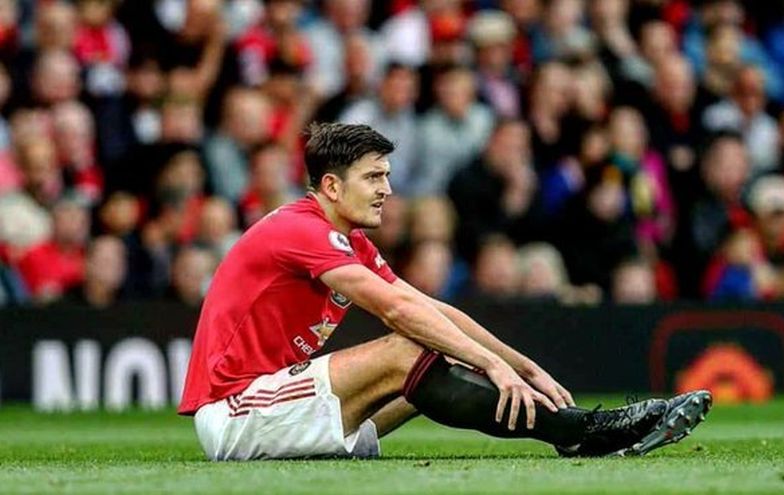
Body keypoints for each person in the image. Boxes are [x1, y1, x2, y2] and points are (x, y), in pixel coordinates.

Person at [178, 123, 711, 461]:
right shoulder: (301, 229)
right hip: (236, 412)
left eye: (387, 175)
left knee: (437, 351)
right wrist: (491, 364)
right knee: (407, 350)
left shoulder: (350, 240)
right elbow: (395, 311)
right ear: (333, 186)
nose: (387, 189)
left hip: (278, 406)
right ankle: (582, 431)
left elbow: (429, 307)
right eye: (373, 177)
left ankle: (577, 431)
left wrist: (521, 365)